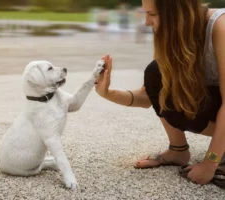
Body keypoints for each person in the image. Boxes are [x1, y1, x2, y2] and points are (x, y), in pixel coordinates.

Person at [96, 0, 225, 186]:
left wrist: (210, 162)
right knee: (156, 73)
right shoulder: (173, 37)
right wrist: (107, 93)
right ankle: (178, 150)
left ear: (178, 12)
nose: (146, 22)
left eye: (153, 14)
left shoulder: (220, 26)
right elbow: (148, 96)